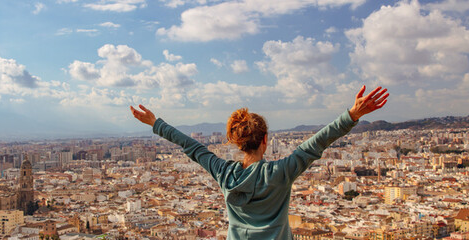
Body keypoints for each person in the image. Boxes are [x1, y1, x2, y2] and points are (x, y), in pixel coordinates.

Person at [130, 85, 389, 239]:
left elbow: (192, 147)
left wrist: (156, 123)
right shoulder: (280, 173)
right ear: (266, 139)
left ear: (238, 142)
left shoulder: (224, 174)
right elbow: (316, 143)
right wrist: (352, 114)